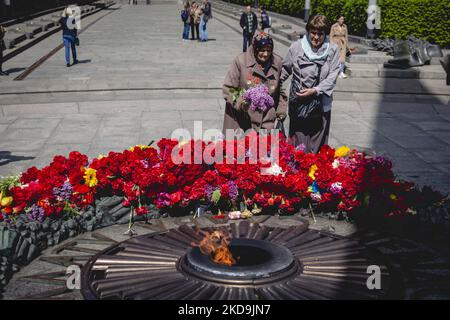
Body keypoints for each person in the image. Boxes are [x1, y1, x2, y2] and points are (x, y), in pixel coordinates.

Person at [280, 15, 340, 153]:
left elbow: (333, 75)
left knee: (317, 146)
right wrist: (272, 85)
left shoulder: (332, 49)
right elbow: (285, 69)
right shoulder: (296, 47)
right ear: (308, 31)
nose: (316, 37)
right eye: (313, 32)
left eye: (320, 33)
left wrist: (316, 90)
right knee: (298, 146)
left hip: (321, 105)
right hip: (299, 104)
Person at [222, 32, 287, 133]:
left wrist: (281, 111)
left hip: (266, 121)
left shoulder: (277, 63)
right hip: (242, 120)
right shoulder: (241, 61)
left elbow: (280, 90)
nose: (265, 54)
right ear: (255, 48)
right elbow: (228, 88)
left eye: (268, 50)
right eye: (262, 50)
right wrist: (241, 101)